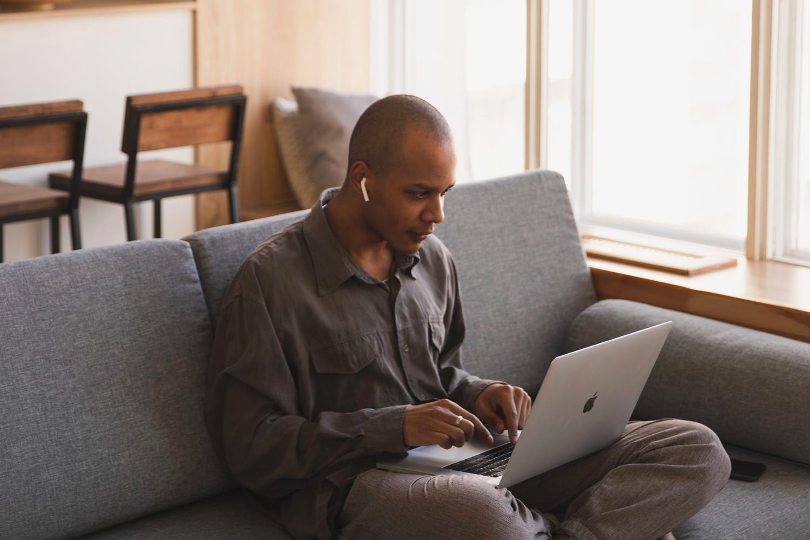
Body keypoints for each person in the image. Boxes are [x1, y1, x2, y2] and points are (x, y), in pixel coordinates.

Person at [205, 95, 730, 540]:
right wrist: (394, 426)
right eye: (419, 194)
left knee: (696, 449)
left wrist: (480, 394)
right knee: (480, 517)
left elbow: (444, 376)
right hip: (360, 481)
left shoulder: (432, 259)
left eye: (444, 193)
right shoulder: (269, 283)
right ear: (362, 179)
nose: (437, 215)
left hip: (471, 460)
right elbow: (253, 448)